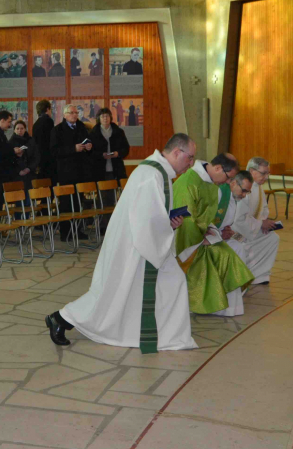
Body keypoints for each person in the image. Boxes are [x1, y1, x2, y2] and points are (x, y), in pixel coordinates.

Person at [45, 133, 197, 351]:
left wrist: (169, 224)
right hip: (137, 247)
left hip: (140, 243)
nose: (191, 163)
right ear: (176, 152)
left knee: (123, 293)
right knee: (113, 295)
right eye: (190, 157)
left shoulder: (157, 172)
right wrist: (165, 227)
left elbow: (152, 216)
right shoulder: (152, 174)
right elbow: (145, 221)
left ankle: (163, 335)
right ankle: (61, 318)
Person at [172, 153, 254, 316]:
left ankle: (227, 306)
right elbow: (186, 218)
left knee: (233, 250)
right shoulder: (190, 182)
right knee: (225, 255)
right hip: (185, 240)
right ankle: (212, 305)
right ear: (218, 168)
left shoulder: (211, 185)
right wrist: (203, 239)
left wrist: (214, 233)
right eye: (228, 178)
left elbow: (207, 218)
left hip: (205, 236)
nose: (228, 182)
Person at [232, 157, 280, 285]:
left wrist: (265, 222)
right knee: (243, 244)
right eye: (263, 173)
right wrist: (261, 224)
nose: (266, 177)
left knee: (272, 238)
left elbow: (263, 209)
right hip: (236, 232)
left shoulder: (258, 187)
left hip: (251, 228)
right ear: (252, 171)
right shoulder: (244, 187)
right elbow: (238, 219)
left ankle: (258, 274)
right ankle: (246, 273)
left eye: (268, 173)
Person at [51, 104, 93, 239]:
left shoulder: (82, 128)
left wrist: (89, 146)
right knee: (66, 203)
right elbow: (54, 151)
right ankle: (66, 232)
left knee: (78, 202)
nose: (74, 115)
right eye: (71, 113)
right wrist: (73, 149)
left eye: (76, 113)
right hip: (66, 172)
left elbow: (88, 143)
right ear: (64, 115)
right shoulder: (57, 130)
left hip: (80, 170)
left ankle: (77, 230)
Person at [89, 107, 130, 184]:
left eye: (107, 116)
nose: (105, 118)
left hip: (116, 168)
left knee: (117, 190)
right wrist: (101, 155)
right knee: (103, 191)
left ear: (110, 117)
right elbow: (90, 152)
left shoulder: (119, 131)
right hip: (99, 169)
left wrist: (117, 153)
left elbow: (126, 148)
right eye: (102, 116)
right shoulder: (93, 133)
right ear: (99, 118)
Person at [32, 100, 55, 181]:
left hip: (39, 157)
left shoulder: (35, 124)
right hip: (48, 157)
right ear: (48, 109)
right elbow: (51, 139)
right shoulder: (49, 121)